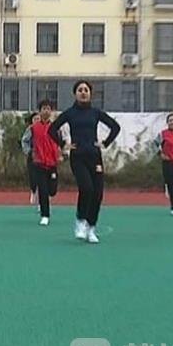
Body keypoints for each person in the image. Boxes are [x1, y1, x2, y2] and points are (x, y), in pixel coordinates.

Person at [49, 80, 121, 244]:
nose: (83, 92)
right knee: (86, 188)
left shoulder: (95, 113)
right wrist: (63, 144)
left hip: (95, 157)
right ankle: (80, 221)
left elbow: (115, 127)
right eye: (80, 90)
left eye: (86, 90)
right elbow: (52, 129)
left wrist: (105, 143)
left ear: (90, 93)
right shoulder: (70, 113)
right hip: (78, 157)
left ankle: (91, 228)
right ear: (75, 94)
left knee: (98, 193)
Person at [23, 100, 62, 226]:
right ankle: (45, 215)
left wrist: (61, 154)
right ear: (40, 111)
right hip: (38, 163)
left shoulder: (55, 127)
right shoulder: (33, 128)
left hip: (52, 163)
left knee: (52, 190)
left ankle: (48, 200)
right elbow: (25, 140)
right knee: (43, 190)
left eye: (48, 109)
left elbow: (60, 142)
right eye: (43, 109)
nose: (46, 111)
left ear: (51, 111)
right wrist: (29, 152)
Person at [21, 111, 41, 207]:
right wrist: (29, 151)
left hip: (44, 156)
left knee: (44, 178)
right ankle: (33, 192)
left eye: (38, 119)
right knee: (33, 177)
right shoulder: (30, 129)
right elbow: (24, 141)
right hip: (33, 156)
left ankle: (42, 200)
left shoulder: (46, 128)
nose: (37, 121)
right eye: (35, 119)